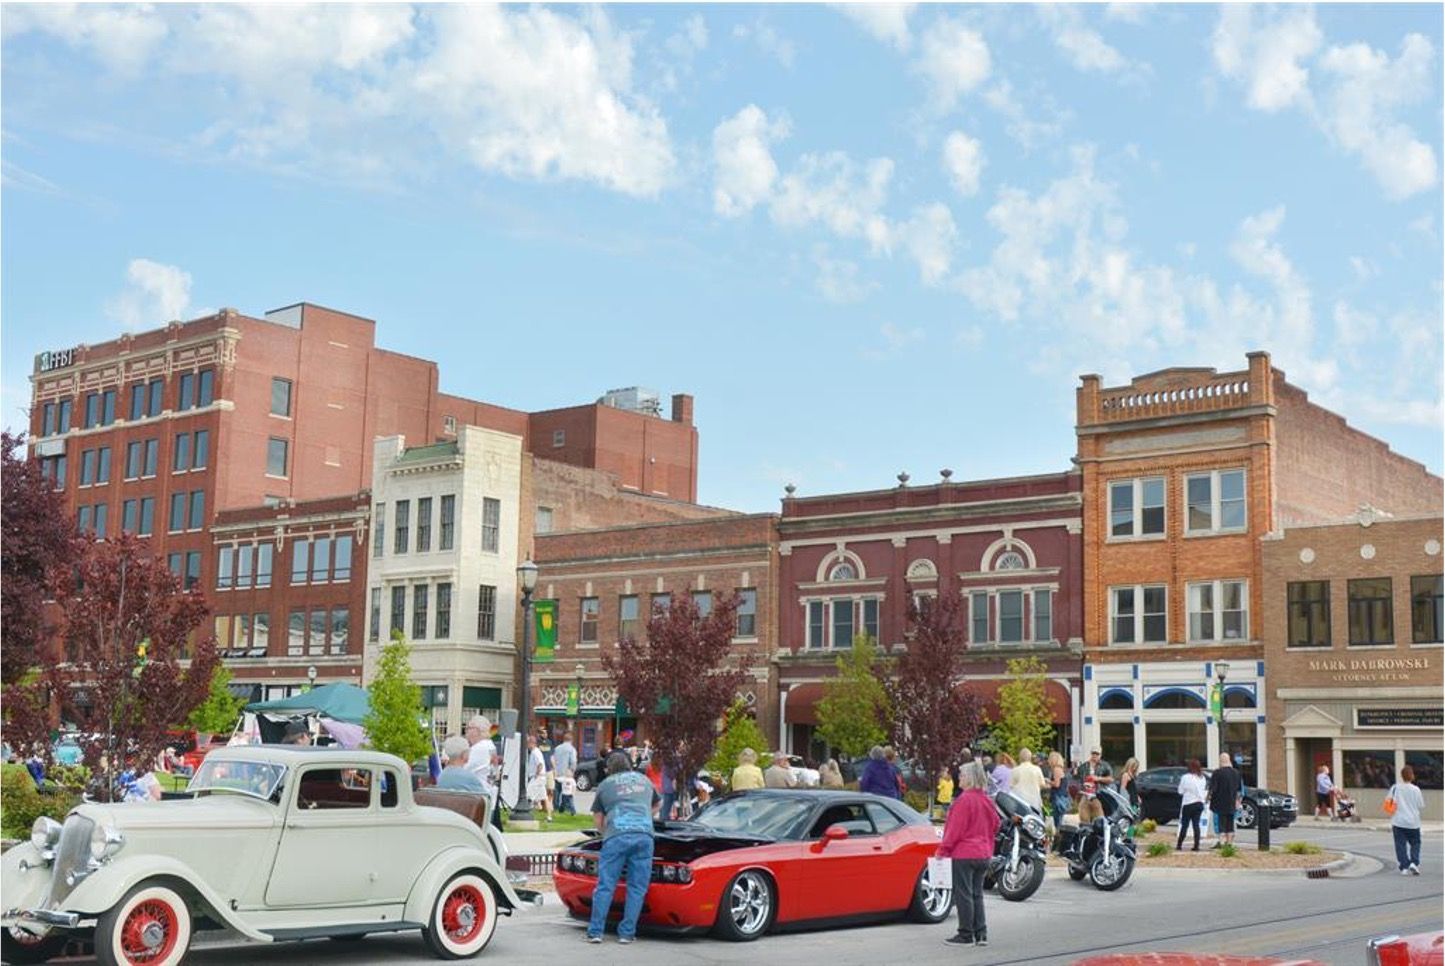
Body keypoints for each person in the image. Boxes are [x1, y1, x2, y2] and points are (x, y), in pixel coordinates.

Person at [586, 751, 660, 944]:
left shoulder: (605, 785)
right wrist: (645, 816)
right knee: (637, 887)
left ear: (609, 769)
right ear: (629, 765)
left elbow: (598, 818)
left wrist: (605, 833)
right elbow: (658, 803)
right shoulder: (644, 781)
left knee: (605, 885)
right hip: (644, 836)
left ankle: (596, 932)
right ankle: (627, 933)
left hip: (616, 835)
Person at [937, 761, 999, 947]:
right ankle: (981, 933)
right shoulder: (987, 800)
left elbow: (954, 831)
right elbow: (996, 824)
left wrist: (942, 850)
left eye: (962, 776)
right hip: (983, 852)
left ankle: (965, 934)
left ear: (969, 778)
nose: (959, 778)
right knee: (976, 894)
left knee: (963, 894)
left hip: (964, 853)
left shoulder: (963, 801)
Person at [1387, 764, 1425, 875]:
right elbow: (1421, 805)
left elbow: (1388, 801)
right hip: (1413, 822)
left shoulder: (1395, 788)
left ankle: (1404, 866)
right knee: (1415, 843)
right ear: (1412, 776)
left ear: (1401, 776)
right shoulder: (1416, 790)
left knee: (1400, 845)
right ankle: (1414, 862)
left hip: (1398, 821)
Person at [1207, 752, 1243, 848]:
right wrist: (1238, 801)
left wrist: (1208, 798)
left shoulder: (1217, 773)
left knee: (1221, 823)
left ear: (1220, 760)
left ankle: (1221, 843)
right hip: (1231, 801)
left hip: (1219, 802)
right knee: (1230, 823)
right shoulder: (1236, 773)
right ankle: (1229, 843)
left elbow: (1212, 789)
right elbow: (1239, 790)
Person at [1074, 748, 1113, 823]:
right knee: (1084, 820)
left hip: (1098, 796)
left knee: (1099, 820)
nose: (1095, 756)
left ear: (1100, 755)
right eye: (1093, 754)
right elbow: (1076, 777)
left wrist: (1098, 778)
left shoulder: (1105, 765)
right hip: (1085, 795)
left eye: (1097, 754)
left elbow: (1110, 779)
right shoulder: (1084, 766)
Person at [1176, 759, 1207, 851]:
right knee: (1196, 824)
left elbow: (1180, 791)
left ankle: (1179, 844)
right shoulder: (1202, 778)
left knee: (1185, 825)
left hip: (1188, 803)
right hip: (1199, 803)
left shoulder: (1186, 777)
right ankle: (1196, 845)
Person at [526, 735, 551, 821]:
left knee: (528, 795)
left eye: (527, 744)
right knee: (544, 797)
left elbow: (540, 764)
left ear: (531, 743)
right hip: (542, 777)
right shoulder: (536, 752)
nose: (527, 746)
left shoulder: (535, 752)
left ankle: (528, 814)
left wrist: (536, 774)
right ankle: (549, 816)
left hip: (537, 777)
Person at [552, 731, 578, 815]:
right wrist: (572, 771)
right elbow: (573, 762)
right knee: (567, 793)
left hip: (557, 774)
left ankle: (556, 807)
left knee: (557, 792)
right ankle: (567, 809)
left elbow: (553, 760)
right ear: (571, 740)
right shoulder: (571, 749)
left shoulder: (557, 748)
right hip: (566, 775)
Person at [1046, 751, 1071, 830]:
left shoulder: (1056, 769)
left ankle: (1057, 836)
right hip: (1062, 795)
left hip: (1058, 796)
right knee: (1059, 818)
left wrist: (1048, 781)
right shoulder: (1061, 769)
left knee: (1057, 819)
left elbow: (1057, 784)